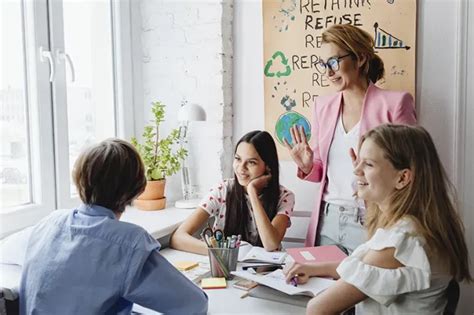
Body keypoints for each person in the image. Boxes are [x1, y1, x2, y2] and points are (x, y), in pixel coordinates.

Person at [284, 124, 472, 314]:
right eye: (358, 161)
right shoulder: (415, 225)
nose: (356, 170)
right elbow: (365, 267)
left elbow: (317, 309)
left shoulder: (400, 242)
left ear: (402, 178)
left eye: (368, 164)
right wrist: (314, 268)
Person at [19, 139, 208, 314]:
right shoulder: (128, 244)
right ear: (138, 189)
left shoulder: (48, 222)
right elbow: (194, 305)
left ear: (79, 180)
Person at [284, 24, 417, 253]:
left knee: (364, 288)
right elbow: (322, 170)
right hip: (327, 218)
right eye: (324, 65)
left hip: (372, 220)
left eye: (334, 62)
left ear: (361, 58)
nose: (328, 72)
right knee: (320, 288)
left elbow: (412, 169)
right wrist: (308, 166)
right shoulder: (322, 106)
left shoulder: (395, 104)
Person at [171, 130, 295, 255]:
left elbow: (271, 244)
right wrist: (222, 252)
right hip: (226, 266)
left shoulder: (284, 196)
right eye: (238, 159)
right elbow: (178, 238)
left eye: (251, 162)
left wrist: (252, 192)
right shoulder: (222, 190)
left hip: (265, 271)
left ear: (268, 166)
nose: (241, 168)